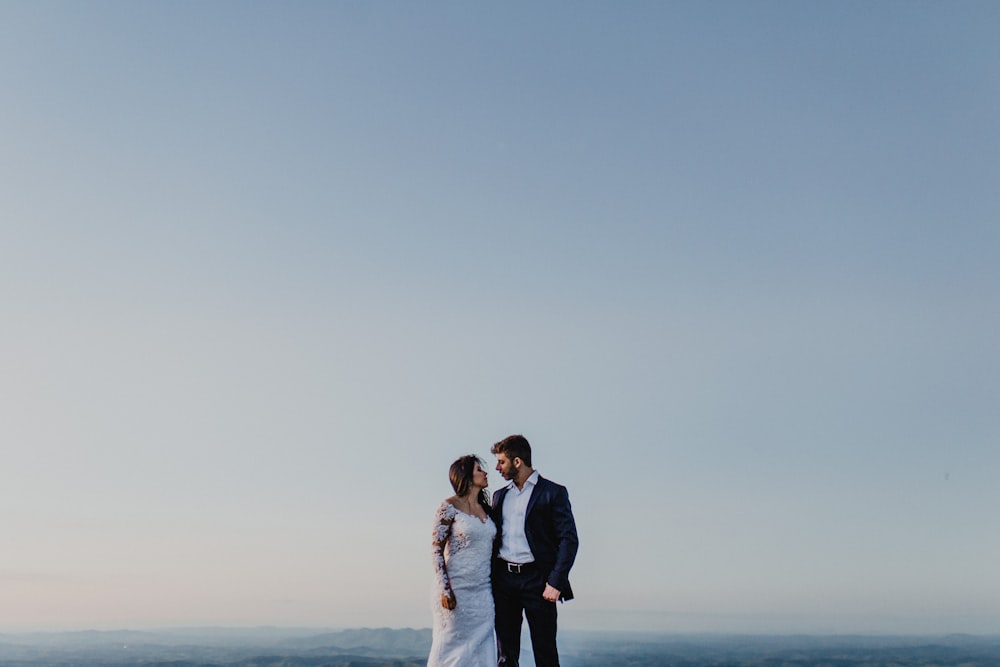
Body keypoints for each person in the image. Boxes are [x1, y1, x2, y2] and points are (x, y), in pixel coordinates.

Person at [491, 434, 579, 667]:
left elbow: (569, 540)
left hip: (539, 582)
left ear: (517, 461)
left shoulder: (553, 492)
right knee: (505, 654)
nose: (497, 467)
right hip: (504, 581)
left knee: (545, 651)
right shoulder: (499, 496)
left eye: (501, 462)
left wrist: (556, 582)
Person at [427, 455, 498, 667]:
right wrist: (445, 589)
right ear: (466, 475)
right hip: (455, 589)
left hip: (483, 594)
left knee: (483, 651)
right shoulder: (448, 506)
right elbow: (436, 550)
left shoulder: (488, 510)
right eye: (479, 469)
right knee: (450, 652)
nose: (485, 473)